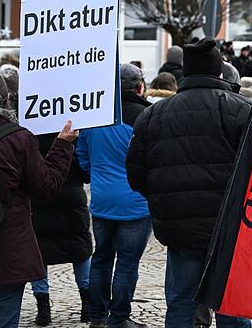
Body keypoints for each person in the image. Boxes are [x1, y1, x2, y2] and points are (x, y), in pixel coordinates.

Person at [126, 38, 252, 328]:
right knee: (230, 303)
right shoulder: (241, 110)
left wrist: (166, 199)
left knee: (182, 303)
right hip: (228, 226)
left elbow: (136, 174)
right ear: (219, 72)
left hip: (180, 225)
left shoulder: (153, 114)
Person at [0, 68, 77, 327]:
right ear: (7, 99)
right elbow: (47, 188)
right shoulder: (18, 139)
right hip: (4, 257)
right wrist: (62, 146)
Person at [77, 63, 153, 328]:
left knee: (101, 257)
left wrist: (97, 175)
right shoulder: (146, 116)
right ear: (139, 87)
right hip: (135, 202)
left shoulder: (94, 116)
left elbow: (82, 158)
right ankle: (118, 318)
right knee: (127, 264)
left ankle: (97, 317)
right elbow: (151, 161)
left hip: (101, 199)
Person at [30, 133, 93, 326]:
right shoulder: (73, 131)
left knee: (39, 249)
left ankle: (43, 309)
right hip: (71, 192)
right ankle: (88, 304)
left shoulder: (30, 130)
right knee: (79, 247)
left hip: (39, 194)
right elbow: (85, 171)